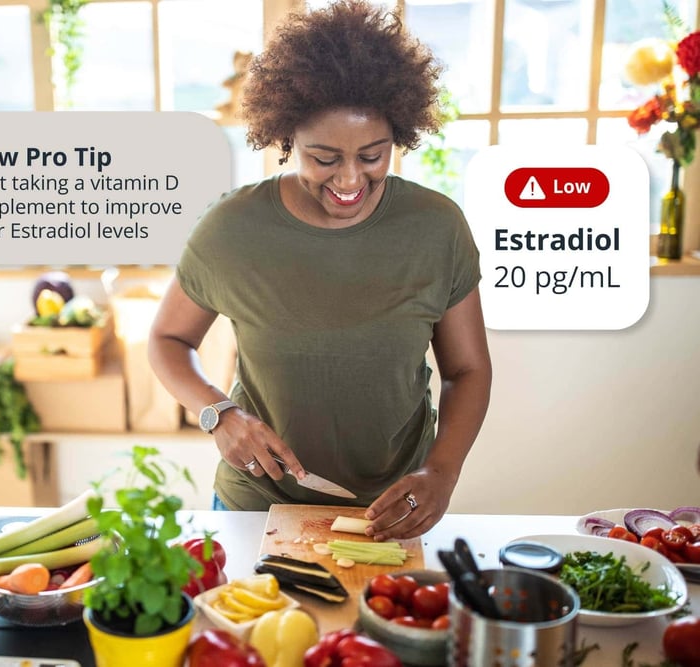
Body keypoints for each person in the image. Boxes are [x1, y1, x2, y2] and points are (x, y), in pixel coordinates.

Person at [148, 0, 492, 541]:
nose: (351, 179)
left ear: (398, 136)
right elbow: (167, 339)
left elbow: (466, 370)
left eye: (374, 155)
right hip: (255, 506)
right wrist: (219, 413)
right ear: (286, 140)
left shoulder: (437, 228)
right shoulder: (231, 228)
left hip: (392, 508)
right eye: (324, 158)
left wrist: (441, 473)